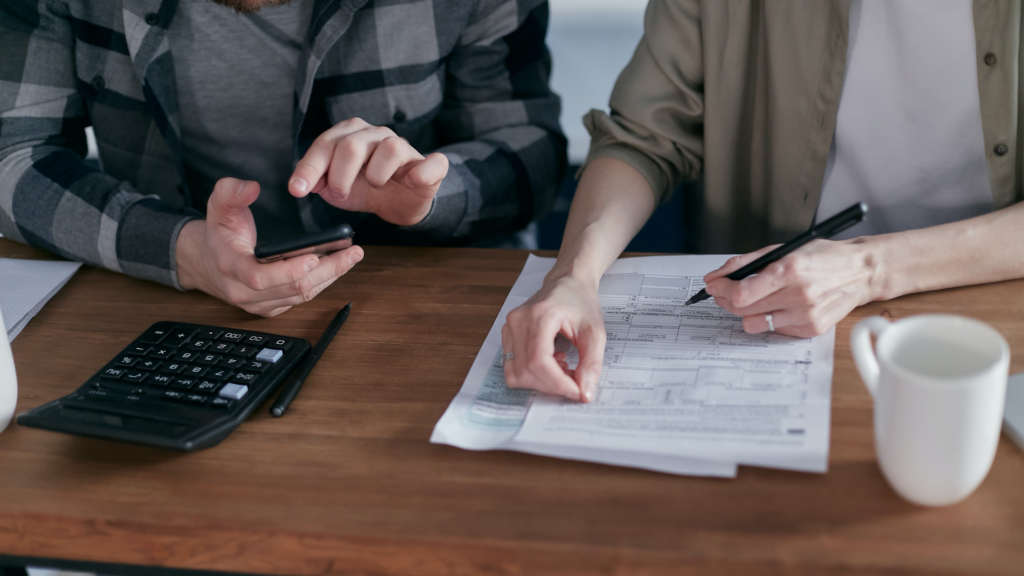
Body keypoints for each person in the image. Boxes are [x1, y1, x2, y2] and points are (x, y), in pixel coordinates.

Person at [500, 0, 1024, 402]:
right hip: (772, 318)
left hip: (992, 302)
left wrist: (870, 268)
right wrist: (574, 276)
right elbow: (643, 135)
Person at [0, 0, 566, 317]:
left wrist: (430, 195)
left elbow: (531, 151)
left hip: (425, 301)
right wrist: (185, 250)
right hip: (167, 302)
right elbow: (14, 154)